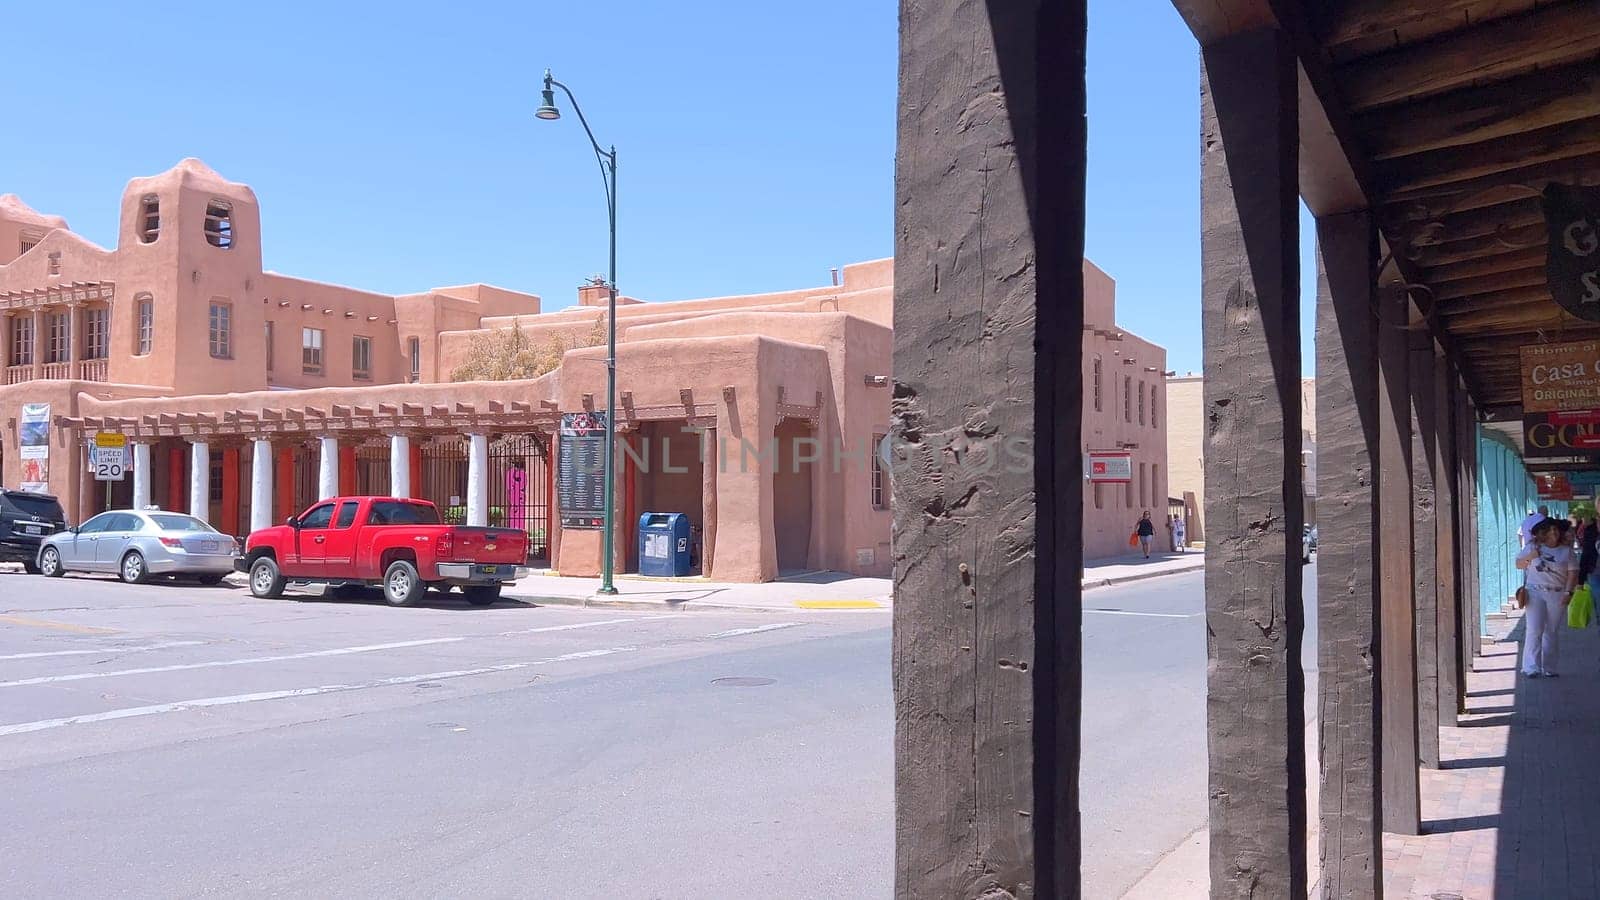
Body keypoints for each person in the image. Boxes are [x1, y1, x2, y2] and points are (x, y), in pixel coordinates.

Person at [1515, 517, 1578, 678]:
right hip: (1534, 592)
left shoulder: (1566, 551)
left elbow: (1573, 573)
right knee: (1534, 628)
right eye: (1549, 530)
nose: (1553, 532)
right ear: (1542, 533)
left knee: (1551, 630)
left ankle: (1549, 667)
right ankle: (1531, 667)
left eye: (1556, 529)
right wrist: (1531, 556)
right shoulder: (1533, 546)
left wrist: (1568, 593)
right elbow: (1519, 564)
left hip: (1557, 593)